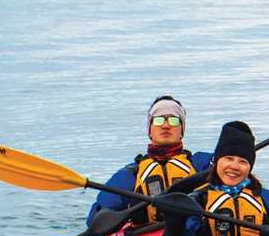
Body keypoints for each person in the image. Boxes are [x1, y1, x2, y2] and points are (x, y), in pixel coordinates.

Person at [86, 95, 213, 228]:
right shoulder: (131, 174)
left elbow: (229, 160)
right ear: (150, 131)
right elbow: (94, 219)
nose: (166, 125)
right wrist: (108, 215)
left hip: (192, 235)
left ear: (182, 130)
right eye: (158, 120)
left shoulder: (201, 164)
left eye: (174, 120)